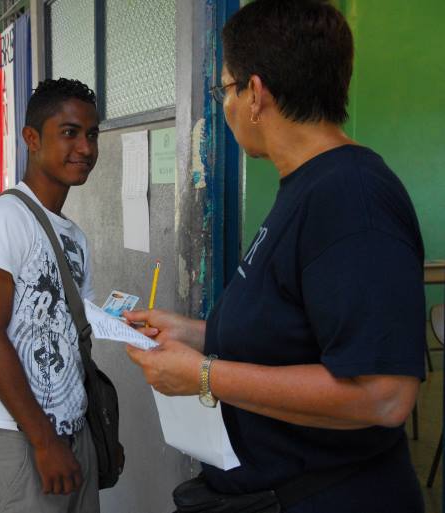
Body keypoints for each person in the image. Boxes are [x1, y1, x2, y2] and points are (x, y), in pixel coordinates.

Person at [125, 1, 425, 512]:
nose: (225, 104)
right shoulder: (306, 188)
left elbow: (385, 396)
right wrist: (192, 334)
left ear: (257, 93)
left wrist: (202, 375)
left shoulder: (352, 198)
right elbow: (295, 334)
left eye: (225, 88)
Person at [0, 78, 100, 513]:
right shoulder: (3, 219)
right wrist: (43, 441)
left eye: (92, 134)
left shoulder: (74, 236)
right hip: (19, 440)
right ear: (32, 139)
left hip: (74, 434)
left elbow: (77, 327)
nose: (85, 148)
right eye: (70, 133)